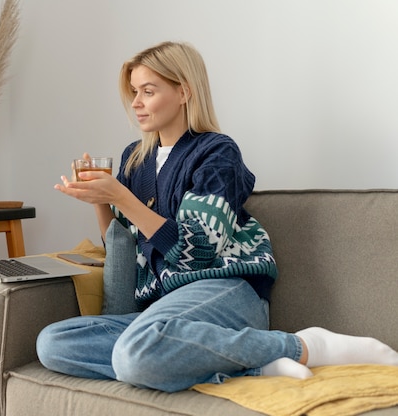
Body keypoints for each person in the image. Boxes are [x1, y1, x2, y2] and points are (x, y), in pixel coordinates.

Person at [37, 41, 398, 393]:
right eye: (134, 91)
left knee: (134, 356)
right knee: (53, 343)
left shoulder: (217, 153)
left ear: (184, 92)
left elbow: (199, 252)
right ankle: (254, 363)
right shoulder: (135, 158)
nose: (136, 103)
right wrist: (100, 199)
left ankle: (305, 346)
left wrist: (121, 197)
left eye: (148, 90)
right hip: (164, 312)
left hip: (224, 291)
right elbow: (125, 244)